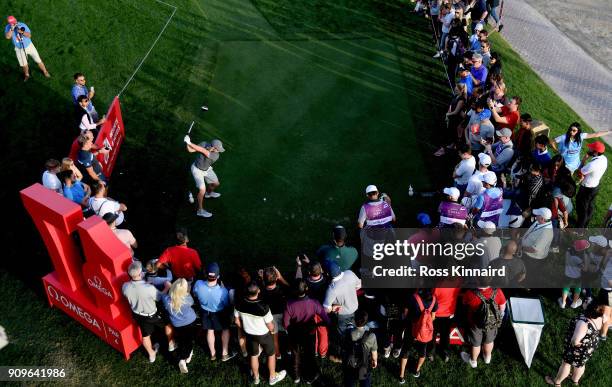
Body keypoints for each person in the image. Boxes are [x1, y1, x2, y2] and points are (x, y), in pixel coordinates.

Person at [234, 281, 287, 386]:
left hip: (249, 335)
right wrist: (272, 330)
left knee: (253, 355)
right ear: (258, 291)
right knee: (271, 355)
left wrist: (244, 328)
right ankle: (272, 377)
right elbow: (270, 325)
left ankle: (256, 378)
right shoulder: (264, 307)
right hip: (264, 335)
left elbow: (236, 321)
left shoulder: (239, 303)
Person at [121, 261, 173, 363]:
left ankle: (151, 355)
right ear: (140, 274)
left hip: (138, 315)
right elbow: (159, 297)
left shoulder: (125, 286)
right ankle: (171, 343)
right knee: (168, 323)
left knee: (145, 335)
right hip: (152, 314)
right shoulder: (149, 288)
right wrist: (167, 287)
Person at [545, 304, 607, 386]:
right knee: (580, 365)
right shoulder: (601, 318)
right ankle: (575, 380)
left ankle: (557, 382)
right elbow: (603, 330)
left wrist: (577, 344)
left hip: (578, 348)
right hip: (589, 347)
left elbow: (575, 341)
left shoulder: (584, 323)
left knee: (566, 363)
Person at [283, 279, 330, 384]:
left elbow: (286, 323)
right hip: (310, 332)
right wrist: (322, 324)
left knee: (295, 355)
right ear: (306, 289)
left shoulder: (289, 304)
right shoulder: (314, 303)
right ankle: (310, 376)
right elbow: (326, 318)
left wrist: (289, 330)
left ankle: (296, 377)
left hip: (295, 332)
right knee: (309, 355)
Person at [193, 262, 235, 362]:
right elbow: (226, 304)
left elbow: (195, 294)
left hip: (205, 312)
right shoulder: (223, 291)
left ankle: (213, 354)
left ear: (205, 274)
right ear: (218, 276)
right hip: (220, 313)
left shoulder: (198, 284)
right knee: (225, 329)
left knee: (210, 330)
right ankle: (224, 354)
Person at [323, 262, 361, 363]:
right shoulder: (350, 273)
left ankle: (344, 357)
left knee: (343, 336)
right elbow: (359, 285)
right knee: (352, 332)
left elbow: (326, 308)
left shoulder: (332, 288)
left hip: (342, 315)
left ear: (328, 274)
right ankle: (355, 352)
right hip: (354, 309)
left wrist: (333, 307)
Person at [461, 287, 506, 368]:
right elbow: (502, 307)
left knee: (476, 344)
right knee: (489, 341)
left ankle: (473, 361)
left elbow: (464, 303)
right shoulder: (498, 291)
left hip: (475, 323)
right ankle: (487, 358)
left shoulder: (470, 293)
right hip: (492, 323)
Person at [399, 289, 438, 382]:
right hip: (424, 332)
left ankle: (401, 376)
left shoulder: (413, 298)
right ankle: (416, 371)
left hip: (411, 328)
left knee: (405, 351)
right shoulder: (434, 300)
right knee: (422, 352)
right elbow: (433, 317)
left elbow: (405, 313)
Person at [295, 258, 329, 358]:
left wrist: (299, 266)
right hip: (322, 310)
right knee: (322, 331)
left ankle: (314, 351)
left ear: (309, 272)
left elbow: (298, 280)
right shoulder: (326, 280)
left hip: (309, 310)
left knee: (312, 332)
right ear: (321, 270)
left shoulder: (305, 282)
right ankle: (322, 352)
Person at [184, 135, 225, 218]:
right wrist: (187, 143)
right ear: (212, 147)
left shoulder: (216, 155)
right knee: (202, 189)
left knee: (216, 183)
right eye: (217, 149)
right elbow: (190, 150)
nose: (219, 151)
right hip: (197, 169)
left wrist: (189, 142)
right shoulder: (204, 143)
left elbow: (203, 151)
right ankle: (200, 211)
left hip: (207, 170)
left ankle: (208, 194)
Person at [163, 278, 198, 373]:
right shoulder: (187, 299)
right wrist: (188, 292)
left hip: (177, 324)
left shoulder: (166, 299)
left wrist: (167, 288)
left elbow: (162, 296)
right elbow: (191, 302)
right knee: (189, 340)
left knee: (182, 339)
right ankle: (184, 358)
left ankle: (185, 356)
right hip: (190, 322)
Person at [4, 16, 50, 81]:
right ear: (9, 23)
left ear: (16, 20)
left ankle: (45, 71)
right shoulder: (8, 27)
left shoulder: (22, 25)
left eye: (14, 22)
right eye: (12, 23)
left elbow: (29, 35)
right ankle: (27, 75)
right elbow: (7, 37)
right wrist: (11, 29)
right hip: (19, 49)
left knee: (38, 60)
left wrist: (21, 32)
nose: (14, 23)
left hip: (29, 46)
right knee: (24, 64)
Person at [259, 267, 290, 359]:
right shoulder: (282, 289)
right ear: (276, 278)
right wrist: (281, 278)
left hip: (271, 317)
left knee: (274, 338)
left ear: (264, 280)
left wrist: (261, 279)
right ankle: (289, 350)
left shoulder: (262, 291)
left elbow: (261, 289)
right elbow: (290, 287)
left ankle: (277, 354)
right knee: (289, 333)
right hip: (284, 314)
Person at [358, 185, 396, 259]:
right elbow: (394, 219)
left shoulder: (365, 207)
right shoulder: (386, 204)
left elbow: (360, 225)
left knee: (362, 231)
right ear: (377, 192)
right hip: (386, 233)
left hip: (373, 235)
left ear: (367, 195)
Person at [576, 141, 608, 228]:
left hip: (586, 189)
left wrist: (584, 159)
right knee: (590, 207)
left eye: (591, 148)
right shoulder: (604, 159)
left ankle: (579, 230)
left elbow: (579, 172)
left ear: (595, 152)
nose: (589, 148)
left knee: (582, 209)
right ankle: (585, 225)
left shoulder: (592, 165)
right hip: (595, 187)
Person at [342, 309, 378, 387]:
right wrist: (374, 361)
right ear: (366, 322)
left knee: (349, 382)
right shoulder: (371, 336)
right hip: (364, 365)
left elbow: (344, 347)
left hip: (350, 364)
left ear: (354, 321)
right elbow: (374, 353)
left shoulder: (348, 332)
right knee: (365, 382)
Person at [520, 208, 554, 280]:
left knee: (529, 276)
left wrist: (522, 248)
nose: (536, 216)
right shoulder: (539, 222)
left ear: (542, 218)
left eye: (537, 215)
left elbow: (535, 249)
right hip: (527, 254)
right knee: (523, 273)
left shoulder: (546, 232)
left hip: (533, 259)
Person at [432, 287, 460, 362]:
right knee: (445, 334)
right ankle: (446, 353)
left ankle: (431, 353)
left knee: (433, 334)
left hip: (436, 314)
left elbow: (432, 298)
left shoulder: (437, 286)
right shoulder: (457, 282)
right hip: (448, 314)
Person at [560, 240, 589, 309]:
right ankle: (574, 303)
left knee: (566, 288)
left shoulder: (568, 251)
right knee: (577, 289)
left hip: (567, 274)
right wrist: (586, 259)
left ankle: (563, 303)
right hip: (576, 277)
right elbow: (585, 269)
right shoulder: (578, 259)